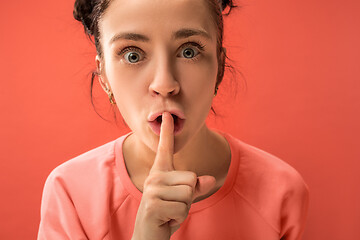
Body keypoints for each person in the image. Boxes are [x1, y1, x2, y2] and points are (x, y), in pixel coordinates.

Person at [37, 0, 310, 239]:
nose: (165, 84)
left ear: (219, 68)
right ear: (104, 75)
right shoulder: (70, 192)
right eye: (132, 55)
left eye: (189, 51)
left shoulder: (282, 191)